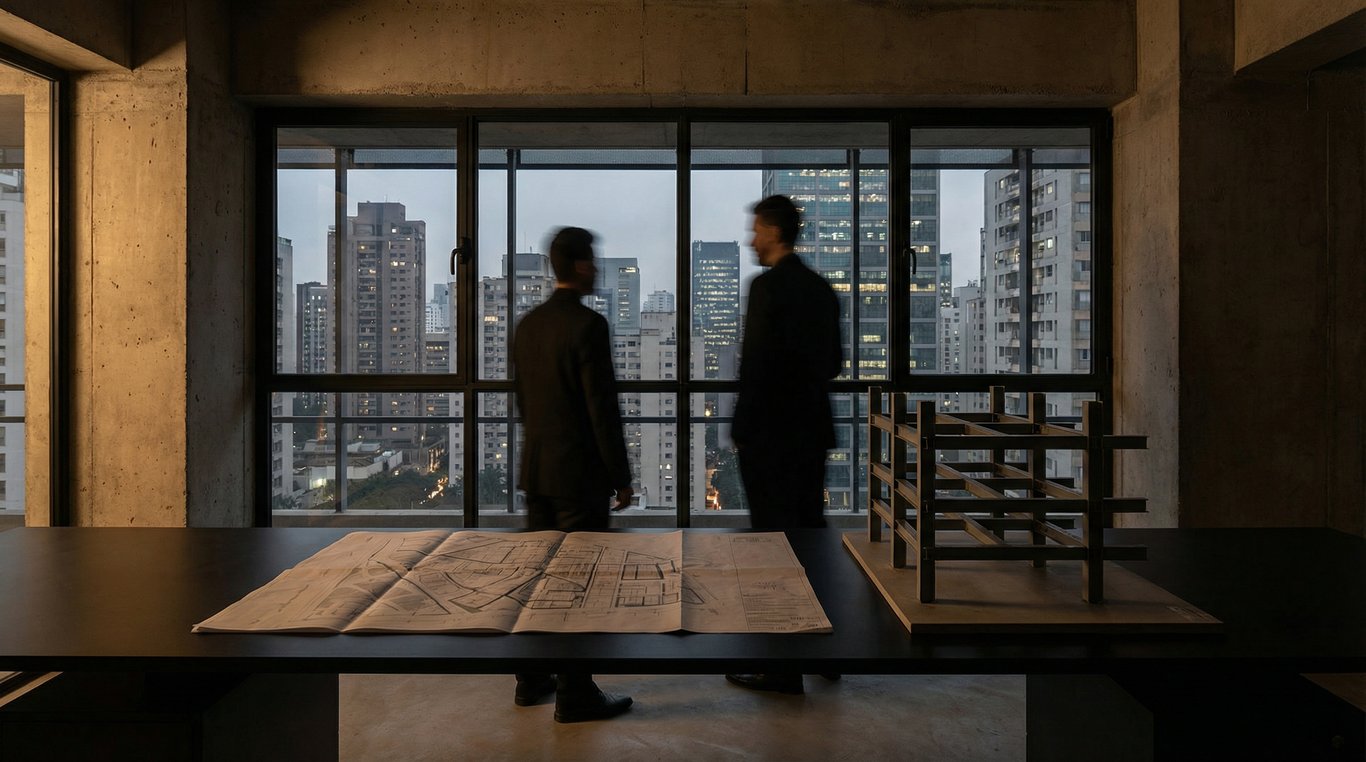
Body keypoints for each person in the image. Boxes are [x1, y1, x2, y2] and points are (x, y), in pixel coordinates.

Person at [510, 226, 635, 723]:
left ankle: (531, 679)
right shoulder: (588, 326)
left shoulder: (528, 325)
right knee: (580, 585)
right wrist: (621, 477)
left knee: (540, 580)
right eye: (595, 261)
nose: (598, 269)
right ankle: (576, 693)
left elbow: (523, 402)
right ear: (582, 266)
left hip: (537, 470)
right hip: (579, 478)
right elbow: (601, 409)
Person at [726, 194, 842, 695]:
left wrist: (742, 430)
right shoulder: (821, 289)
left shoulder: (767, 289)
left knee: (774, 547)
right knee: (810, 539)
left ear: (774, 231)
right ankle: (826, 652)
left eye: (755, 230)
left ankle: (782, 667)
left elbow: (754, 367)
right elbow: (833, 362)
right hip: (810, 433)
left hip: (769, 437)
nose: (751, 239)